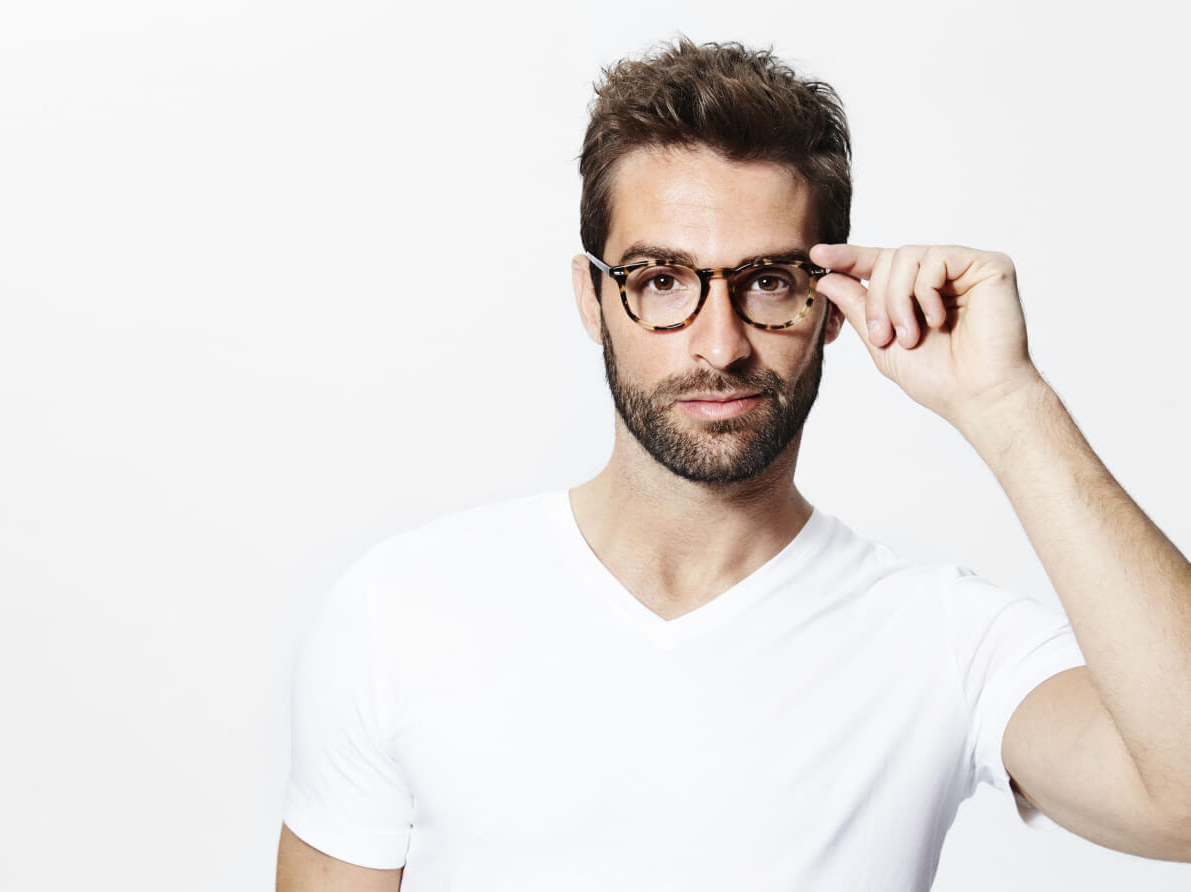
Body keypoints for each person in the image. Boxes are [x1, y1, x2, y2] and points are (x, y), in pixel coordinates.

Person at [275, 39, 1191, 891]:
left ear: (832, 306)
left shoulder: (945, 638)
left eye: (767, 283)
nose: (719, 345)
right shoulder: (400, 611)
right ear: (593, 300)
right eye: (662, 281)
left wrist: (1009, 406)